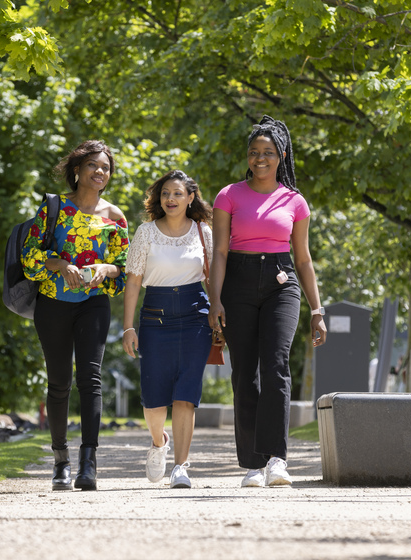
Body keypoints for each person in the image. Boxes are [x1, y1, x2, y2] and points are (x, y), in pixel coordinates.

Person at [208, 116, 327, 488]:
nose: (260, 159)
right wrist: (215, 301)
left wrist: (317, 310)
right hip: (238, 284)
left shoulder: (295, 202)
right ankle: (253, 465)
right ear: (248, 156)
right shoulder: (228, 195)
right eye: (254, 153)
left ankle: (277, 459)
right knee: (246, 373)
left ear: (282, 156)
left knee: (276, 366)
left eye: (269, 153)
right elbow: (221, 254)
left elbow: (304, 259)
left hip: (281, 283)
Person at [22, 140, 129, 491]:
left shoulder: (115, 216)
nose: (101, 172)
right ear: (77, 171)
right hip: (53, 302)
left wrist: (106, 268)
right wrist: (60, 264)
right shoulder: (54, 208)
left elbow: (126, 267)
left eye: (106, 168)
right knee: (59, 383)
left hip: (93, 304)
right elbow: (30, 256)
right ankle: (60, 462)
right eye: (93, 166)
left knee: (90, 379)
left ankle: (88, 462)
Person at [122, 170, 213, 489]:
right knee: (153, 399)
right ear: (158, 199)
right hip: (155, 319)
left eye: (177, 193)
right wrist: (128, 327)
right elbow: (133, 280)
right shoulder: (145, 232)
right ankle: (159, 443)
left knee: (187, 393)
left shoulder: (203, 231)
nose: (170, 199)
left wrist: (218, 313)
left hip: (195, 317)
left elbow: (212, 277)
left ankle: (181, 466)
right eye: (165, 194)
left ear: (191, 197)